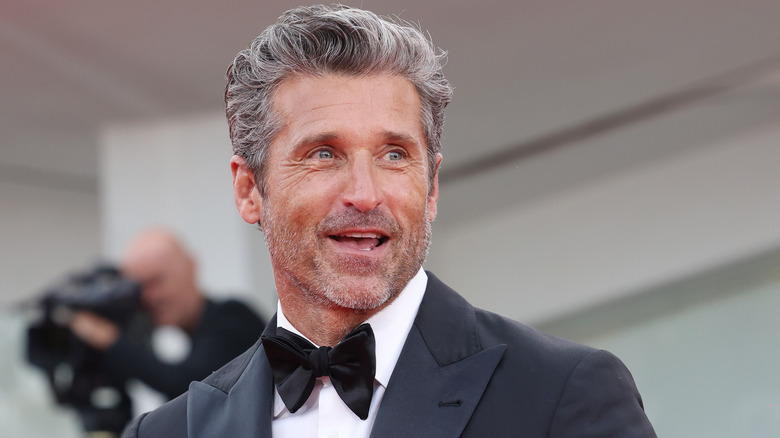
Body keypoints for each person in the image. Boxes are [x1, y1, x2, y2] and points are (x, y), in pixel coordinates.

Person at [125, 5, 657, 437]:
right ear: (249, 191)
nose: (364, 194)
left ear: (432, 187)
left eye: (395, 155)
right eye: (324, 154)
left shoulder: (561, 394)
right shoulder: (169, 433)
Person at [70, 228, 266, 400]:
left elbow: (186, 385)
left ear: (190, 268)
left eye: (156, 282)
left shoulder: (234, 317)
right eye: (138, 289)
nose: (148, 297)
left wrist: (109, 339)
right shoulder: (194, 335)